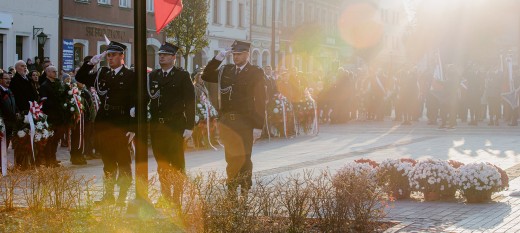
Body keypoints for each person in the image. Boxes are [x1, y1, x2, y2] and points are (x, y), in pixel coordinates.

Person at [76, 41, 136, 206]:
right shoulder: (102, 73)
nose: (110, 58)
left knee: (123, 162)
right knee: (108, 162)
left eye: (113, 55)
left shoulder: (131, 76)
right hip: (104, 122)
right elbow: (79, 77)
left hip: (122, 122)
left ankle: (122, 197)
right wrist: (91, 63)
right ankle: (108, 196)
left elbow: (136, 103)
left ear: (122, 56)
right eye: (108, 55)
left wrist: (133, 127)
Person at [202, 40, 266, 195]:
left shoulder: (255, 72)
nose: (235, 57)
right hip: (228, 122)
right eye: (234, 54)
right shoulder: (226, 70)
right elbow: (206, 75)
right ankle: (231, 189)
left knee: (244, 157)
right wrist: (218, 58)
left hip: (245, 122)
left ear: (247, 54)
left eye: (239, 54)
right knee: (230, 157)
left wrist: (258, 126)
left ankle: (244, 189)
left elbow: (260, 100)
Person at [147, 42, 195, 206]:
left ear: (174, 58)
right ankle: (166, 195)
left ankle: (177, 196)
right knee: (162, 163)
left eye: (166, 55)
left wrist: (189, 126)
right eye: (160, 54)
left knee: (177, 162)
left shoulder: (182, 76)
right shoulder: (153, 76)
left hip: (175, 127)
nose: (161, 57)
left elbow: (190, 102)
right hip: (157, 127)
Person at [39, 66, 66, 167]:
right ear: (48, 73)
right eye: (53, 71)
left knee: (56, 139)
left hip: (59, 116)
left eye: (56, 71)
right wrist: (57, 103)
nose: (55, 73)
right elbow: (44, 101)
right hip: (51, 116)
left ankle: (53, 158)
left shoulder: (58, 84)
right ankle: (48, 160)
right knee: (50, 140)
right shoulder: (44, 85)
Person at [0, 71, 17, 165]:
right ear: (0, 80)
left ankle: (2, 165)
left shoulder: (9, 90)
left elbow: (13, 104)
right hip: (3, 122)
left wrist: (16, 112)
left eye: (9, 79)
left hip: (10, 122)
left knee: (5, 145)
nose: (8, 81)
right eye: (6, 79)